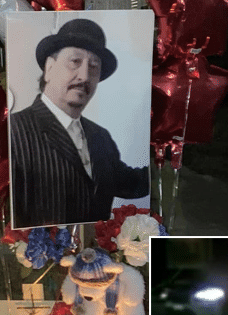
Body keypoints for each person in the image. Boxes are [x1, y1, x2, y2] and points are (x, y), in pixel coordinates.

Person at [10, 18, 149, 229]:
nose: (84, 76)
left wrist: (166, 148)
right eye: (75, 61)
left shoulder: (100, 136)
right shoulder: (15, 131)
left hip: (96, 248)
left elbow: (131, 184)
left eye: (94, 66)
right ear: (49, 68)